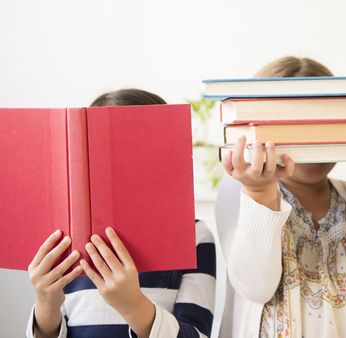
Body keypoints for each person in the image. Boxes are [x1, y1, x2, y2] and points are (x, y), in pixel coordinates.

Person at [219, 56, 346, 337]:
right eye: (294, 127)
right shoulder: (238, 193)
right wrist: (259, 191)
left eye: (322, 125)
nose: (311, 139)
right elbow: (256, 287)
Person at [26, 89, 216, 338]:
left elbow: (197, 334)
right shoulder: (66, 240)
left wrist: (133, 305)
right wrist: (45, 304)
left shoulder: (194, 236)